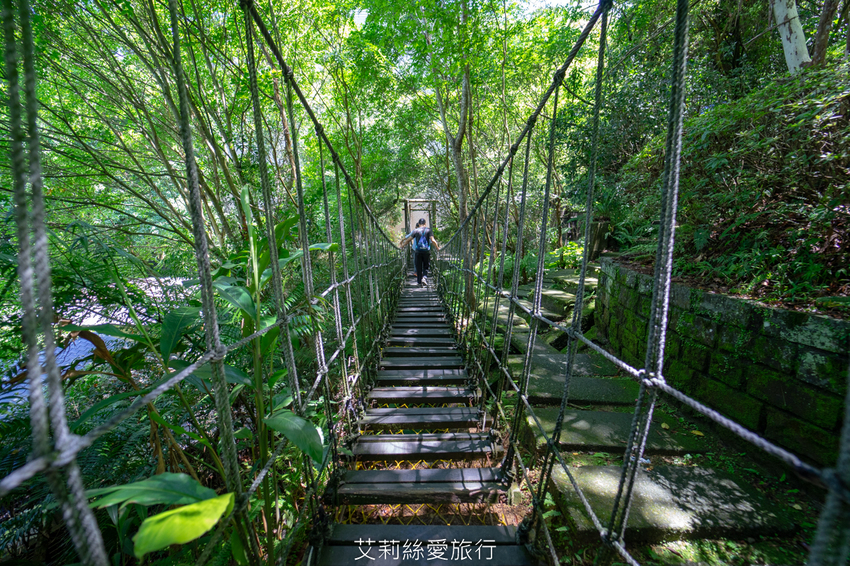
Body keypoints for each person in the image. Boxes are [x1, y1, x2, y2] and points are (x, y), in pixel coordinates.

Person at [399, 218, 440, 287]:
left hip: (418, 251)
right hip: (426, 251)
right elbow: (432, 240)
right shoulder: (428, 230)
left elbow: (408, 240)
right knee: (425, 266)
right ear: (425, 223)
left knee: (418, 266)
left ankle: (419, 282)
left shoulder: (416, 231)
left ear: (418, 224)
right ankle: (424, 277)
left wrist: (402, 245)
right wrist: (437, 247)